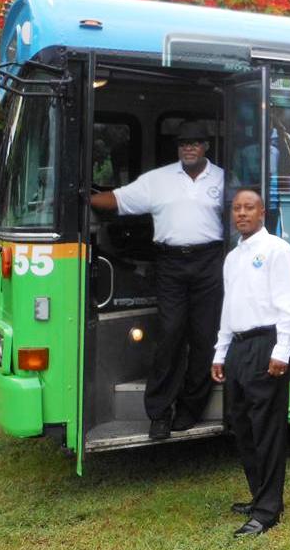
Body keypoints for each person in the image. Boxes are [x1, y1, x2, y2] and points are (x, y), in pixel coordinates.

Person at [90, 120, 223, 440]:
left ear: (206, 147)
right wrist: (79, 200)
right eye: (182, 144)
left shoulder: (223, 178)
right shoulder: (159, 180)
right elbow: (118, 199)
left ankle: (191, 409)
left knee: (205, 339)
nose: (188, 148)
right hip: (171, 264)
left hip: (209, 262)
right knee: (171, 335)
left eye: (195, 143)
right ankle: (160, 414)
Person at [211, 189, 290, 538]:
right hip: (238, 349)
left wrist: (283, 350)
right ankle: (259, 496)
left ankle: (268, 511)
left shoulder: (277, 251)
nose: (241, 214)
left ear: (262, 212)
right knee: (243, 427)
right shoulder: (233, 258)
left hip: (265, 345)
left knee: (266, 430)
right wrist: (221, 352)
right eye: (236, 209)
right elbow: (228, 308)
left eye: (248, 208)